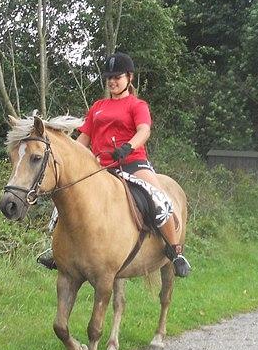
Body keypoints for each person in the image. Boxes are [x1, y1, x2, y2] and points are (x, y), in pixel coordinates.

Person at [37, 51, 191, 277]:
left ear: (129, 78)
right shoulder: (97, 106)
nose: (112, 81)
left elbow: (144, 130)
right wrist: (70, 158)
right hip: (102, 168)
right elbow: (83, 139)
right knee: (68, 199)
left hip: (133, 164)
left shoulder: (136, 105)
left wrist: (128, 146)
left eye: (117, 77)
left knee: (158, 199)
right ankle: (58, 250)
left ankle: (175, 252)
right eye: (109, 77)